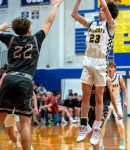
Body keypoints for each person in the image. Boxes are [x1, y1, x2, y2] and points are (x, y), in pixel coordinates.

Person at [0, 0, 63, 149]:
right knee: (25, 125)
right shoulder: (36, 39)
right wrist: (55, 6)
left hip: (9, 79)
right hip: (25, 81)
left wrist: (0, 28)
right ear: (29, 29)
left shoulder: (10, 39)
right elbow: (48, 22)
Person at [71, 0, 119, 145]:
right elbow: (74, 14)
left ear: (109, 13)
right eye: (99, 10)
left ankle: (97, 128)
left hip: (100, 63)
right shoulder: (92, 24)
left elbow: (105, 5)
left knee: (98, 98)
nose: (100, 12)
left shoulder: (111, 25)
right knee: (85, 96)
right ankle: (84, 126)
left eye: (102, 10)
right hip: (87, 61)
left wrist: (104, 5)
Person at [88, 77, 123, 150]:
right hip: (92, 107)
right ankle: (97, 145)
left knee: (96, 128)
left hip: (104, 107)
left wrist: (117, 111)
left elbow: (111, 96)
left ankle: (100, 144)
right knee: (91, 131)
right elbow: (85, 97)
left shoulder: (107, 80)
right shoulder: (90, 79)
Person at [107, 61, 128, 149]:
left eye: (112, 67)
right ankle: (100, 143)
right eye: (109, 67)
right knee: (102, 124)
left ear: (115, 68)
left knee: (119, 123)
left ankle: (122, 140)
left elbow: (124, 89)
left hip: (117, 102)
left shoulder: (119, 77)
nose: (110, 68)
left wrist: (125, 101)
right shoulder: (105, 78)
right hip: (107, 103)